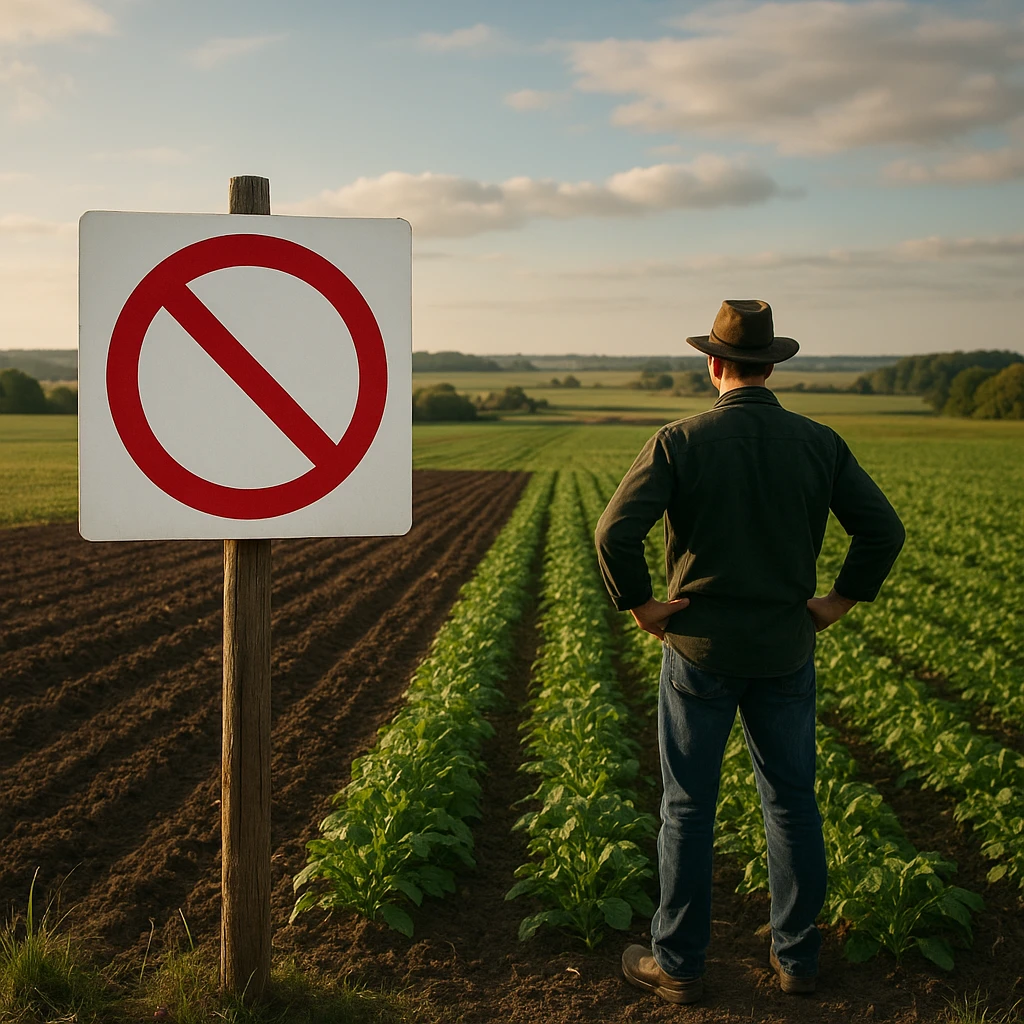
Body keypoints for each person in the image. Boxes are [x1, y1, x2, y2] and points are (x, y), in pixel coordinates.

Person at [594, 299, 905, 1005]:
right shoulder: (819, 442)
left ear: (713, 364)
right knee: (793, 804)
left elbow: (614, 532)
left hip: (699, 651)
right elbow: (882, 530)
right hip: (785, 650)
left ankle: (678, 966)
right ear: (772, 366)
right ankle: (796, 959)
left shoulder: (679, 440)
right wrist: (837, 601)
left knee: (688, 809)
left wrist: (642, 605)